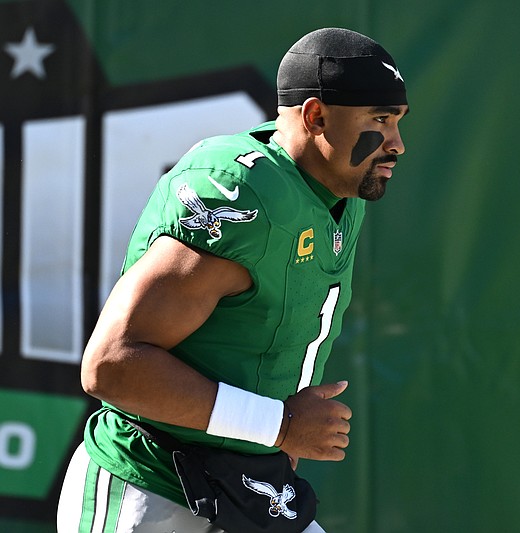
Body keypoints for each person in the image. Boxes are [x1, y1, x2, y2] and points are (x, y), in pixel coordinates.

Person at [56, 27, 408, 532]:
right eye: (379, 119)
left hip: (247, 483)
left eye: (397, 121)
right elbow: (111, 365)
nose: (396, 144)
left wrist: (274, 436)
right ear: (315, 116)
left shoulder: (338, 190)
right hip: (153, 480)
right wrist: (281, 426)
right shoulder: (249, 195)